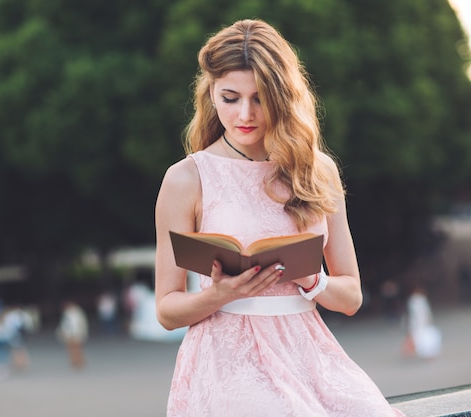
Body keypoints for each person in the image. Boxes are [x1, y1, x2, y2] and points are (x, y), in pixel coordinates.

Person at [154, 19, 405, 416]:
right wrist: (220, 294)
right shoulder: (186, 178)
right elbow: (166, 310)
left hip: (311, 356)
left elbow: (351, 297)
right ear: (211, 93)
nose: (245, 114)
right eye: (230, 98)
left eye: (260, 98)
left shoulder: (317, 170)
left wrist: (310, 278)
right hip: (227, 362)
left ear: (282, 95)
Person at [401, 285, 442, 359]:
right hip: (419, 323)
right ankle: (414, 350)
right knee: (419, 337)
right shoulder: (417, 301)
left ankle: (414, 351)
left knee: (418, 337)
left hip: (419, 323)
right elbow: (422, 314)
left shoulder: (415, 301)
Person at [57, 300, 89, 369]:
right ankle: (74, 362)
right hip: (69, 333)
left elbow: (81, 324)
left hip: (77, 333)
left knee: (77, 348)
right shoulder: (67, 314)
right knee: (71, 348)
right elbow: (65, 324)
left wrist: (81, 332)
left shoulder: (77, 313)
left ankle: (80, 361)